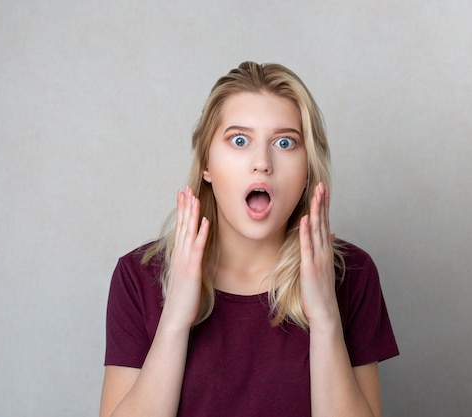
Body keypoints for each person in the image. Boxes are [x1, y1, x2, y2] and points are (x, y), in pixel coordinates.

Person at [100, 61, 399, 417]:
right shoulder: (138, 276)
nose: (262, 162)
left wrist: (325, 320)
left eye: (285, 142)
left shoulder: (352, 273)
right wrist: (175, 316)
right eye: (239, 140)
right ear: (207, 163)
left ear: (306, 170)